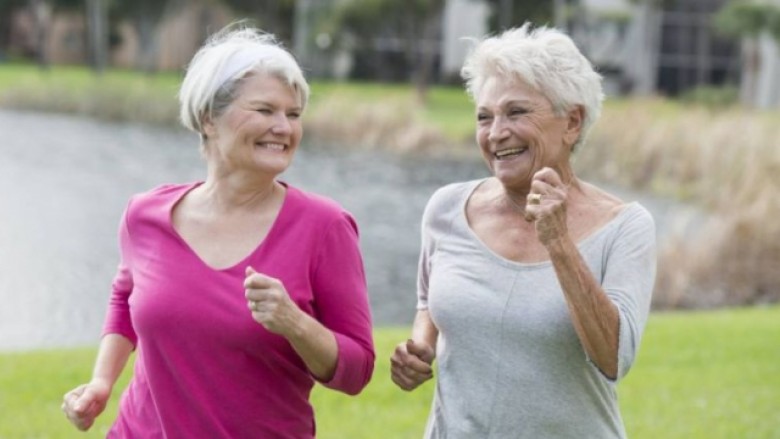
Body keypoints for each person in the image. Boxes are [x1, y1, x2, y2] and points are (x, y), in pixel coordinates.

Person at [61, 24, 375, 438]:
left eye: (293, 114)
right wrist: (102, 381)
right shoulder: (146, 215)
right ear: (210, 119)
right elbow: (126, 296)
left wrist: (294, 323)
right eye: (265, 110)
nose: (284, 127)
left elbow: (357, 372)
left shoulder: (325, 227)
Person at [390, 23, 656, 438]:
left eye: (516, 112)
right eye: (484, 116)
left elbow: (613, 358)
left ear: (571, 123)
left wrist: (559, 242)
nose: (496, 133)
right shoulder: (446, 208)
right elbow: (429, 301)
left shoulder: (625, 226)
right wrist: (420, 346)